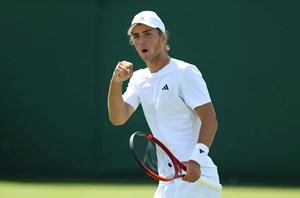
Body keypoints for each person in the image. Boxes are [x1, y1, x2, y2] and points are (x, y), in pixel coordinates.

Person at [107, 10, 221, 198]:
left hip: (197, 178)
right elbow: (118, 117)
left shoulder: (185, 72)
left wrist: (196, 160)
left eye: (148, 34)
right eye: (136, 36)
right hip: (167, 180)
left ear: (163, 38)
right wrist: (116, 82)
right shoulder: (138, 79)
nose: (141, 40)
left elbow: (210, 120)